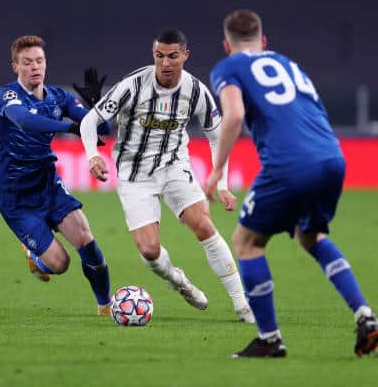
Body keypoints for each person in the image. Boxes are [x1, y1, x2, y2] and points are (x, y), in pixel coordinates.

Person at [205, 10, 378, 358]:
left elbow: (235, 114)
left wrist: (217, 169)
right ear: (263, 41)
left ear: (227, 45)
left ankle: (269, 338)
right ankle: (364, 314)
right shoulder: (289, 64)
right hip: (331, 157)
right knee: (310, 235)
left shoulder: (229, 67)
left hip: (290, 164)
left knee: (246, 242)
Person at [80, 28, 255, 323]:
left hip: (174, 166)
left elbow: (217, 137)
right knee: (150, 251)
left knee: (204, 225)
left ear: (185, 55)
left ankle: (242, 304)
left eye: (173, 56)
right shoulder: (133, 85)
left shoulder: (196, 91)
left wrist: (222, 183)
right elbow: (89, 121)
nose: (165, 63)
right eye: (159, 56)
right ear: (153, 54)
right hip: (134, 174)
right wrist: (92, 155)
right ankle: (178, 280)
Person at [0, 35, 113, 315]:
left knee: (86, 239)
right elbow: (25, 120)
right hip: (15, 195)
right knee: (60, 264)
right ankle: (33, 253)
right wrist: (69, 127)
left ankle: (105, 306)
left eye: (39, 61)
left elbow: (104, 130)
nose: (35, 67)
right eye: (27, 62)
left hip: (47, 183)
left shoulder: (59, 97)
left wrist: (98, 108)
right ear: (15, 67)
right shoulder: (8, 95)